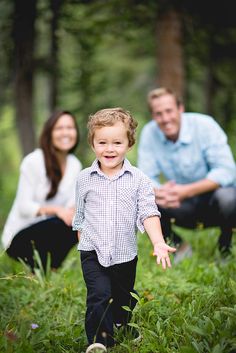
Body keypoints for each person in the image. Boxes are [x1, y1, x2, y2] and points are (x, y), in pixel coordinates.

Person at [72, 107, 176, 353]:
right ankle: (100, 340)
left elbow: (149, 212)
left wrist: (158, 242)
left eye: (117, 142)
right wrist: (82, 240)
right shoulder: (84, 178)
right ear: (92, 143)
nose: (109, 149)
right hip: (92, 251)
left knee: (123, 297)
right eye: (102, 142)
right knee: (99, 294)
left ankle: (122, 323)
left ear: (129, 144)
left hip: (125, 254)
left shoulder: (139, 179)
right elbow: (80, 214)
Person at [137, 87, 236, 261]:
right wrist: (160, 192)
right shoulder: (149, 133)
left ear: (180, 108)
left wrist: (186, 191)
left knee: (229, 197)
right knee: (141, 200)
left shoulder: (205, 125)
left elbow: (227, 170)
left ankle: (225, 247)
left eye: (169, 111)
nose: (165, 118)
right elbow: (145, 177)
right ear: (153, 116)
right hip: (178, 204)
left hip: (213, 202)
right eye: (159, 113)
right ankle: (179, 247)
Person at [1, 110, 82, 272]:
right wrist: (57, 210)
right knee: (61, 221)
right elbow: (24, 207)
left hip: (52, 229)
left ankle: (51, 267)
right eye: (59, 128)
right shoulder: (33, 161)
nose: (65, 132)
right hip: (20, 238)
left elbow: (72, 206)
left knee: (79, 221)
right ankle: (37, 267)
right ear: (49, 133)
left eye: (70, 127)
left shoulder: (75, 164)